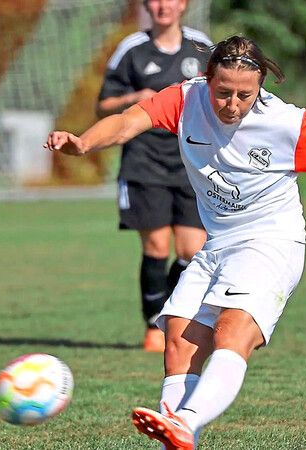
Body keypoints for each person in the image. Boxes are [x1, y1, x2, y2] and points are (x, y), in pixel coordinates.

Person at [46, 36, 306, 449]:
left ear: (261, 86)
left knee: (231, 329)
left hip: (271, 240)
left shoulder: (288, 122)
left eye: (246, 94)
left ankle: (184, 423)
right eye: (223, 92)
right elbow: (127, 122)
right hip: (219, 242)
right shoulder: (185, 100)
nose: (233, 104)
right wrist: (84, 143)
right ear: (207, 79)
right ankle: (178, 433)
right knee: (178, 336)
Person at [96, 0, 212, 352]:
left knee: (192, 252)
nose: (164, 5)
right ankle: (153, 325)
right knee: (157, 246)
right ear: (148, 6)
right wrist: (137, 98)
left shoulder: (201, 46)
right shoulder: (131, 49)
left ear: (183, 5)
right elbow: (103, 105)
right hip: (144, 161)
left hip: (191, 162)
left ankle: (169, 314)